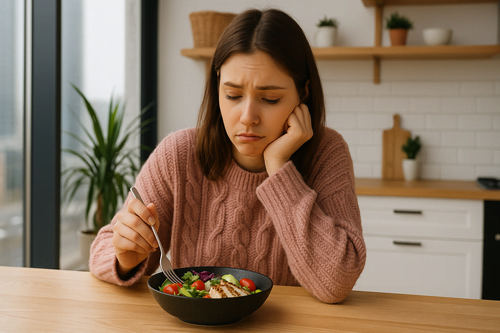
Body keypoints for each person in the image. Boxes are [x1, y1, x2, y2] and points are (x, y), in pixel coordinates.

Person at [90, 8, 366, 304]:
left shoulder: (327, 152)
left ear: (303, 94)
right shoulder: (180, 153)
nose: (248, 117)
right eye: (233, 95)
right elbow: (103, 248)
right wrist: (126, 256)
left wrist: (279, 168)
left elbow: (337, 280)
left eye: (270, 99)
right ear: (216, 86)